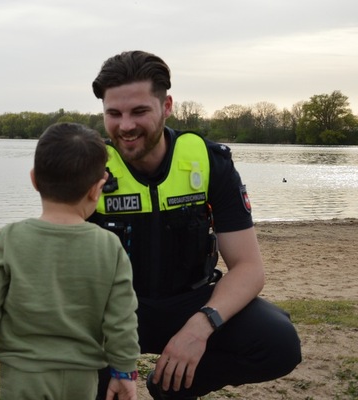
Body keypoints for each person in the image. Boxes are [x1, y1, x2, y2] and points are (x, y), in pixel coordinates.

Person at [88, 51, 302, 400]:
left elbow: (248, 268)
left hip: (191, 300)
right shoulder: (89, 164)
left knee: (279, 343)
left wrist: (200, 326)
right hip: (112, 311)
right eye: (114, 113)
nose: (125, 126)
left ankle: (172, 386)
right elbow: (55, 245)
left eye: (139, 111)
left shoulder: (208, 161)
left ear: (167, 105)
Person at [0, 122, 140, 400]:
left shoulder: (11, 238)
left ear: (33, 179)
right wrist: (124, 370)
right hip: (82, 375)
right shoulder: (109, 246)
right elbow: (121, 317)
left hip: (23, 373)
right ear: (97, 188)